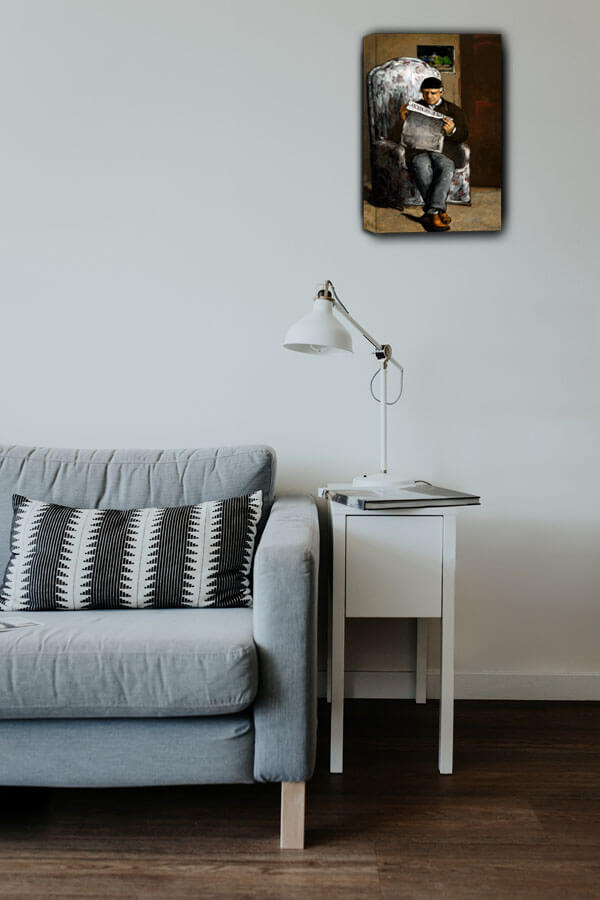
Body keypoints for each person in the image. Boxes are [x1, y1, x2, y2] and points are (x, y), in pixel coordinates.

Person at [390, 77, 468, 232]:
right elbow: (394, 135)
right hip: (418, 151)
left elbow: (464, 135)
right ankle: (438, 212)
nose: (430, 97)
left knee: (446, 166)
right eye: (426, 93)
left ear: (441, 92)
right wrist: (402, 119)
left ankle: (431, 213)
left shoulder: (453, 110)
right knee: (421, 166)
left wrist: (452, 130)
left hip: (443, 151)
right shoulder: (414, 108)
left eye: (433, 93)